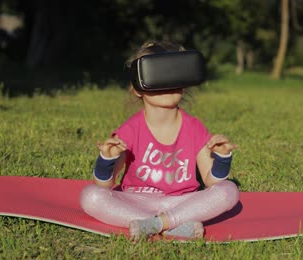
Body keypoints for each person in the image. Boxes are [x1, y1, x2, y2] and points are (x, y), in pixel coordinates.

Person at [80, 40, 239, 240]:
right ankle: (171, 225)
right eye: (158, 76)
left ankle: (156, 225)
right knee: (90, 196)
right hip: (136, 202)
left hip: (182, 202)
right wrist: (106, 160)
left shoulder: (194, 128)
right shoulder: (129, 130)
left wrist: (223, 158)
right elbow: (103, 185)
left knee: (229, 190)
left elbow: (212, 181)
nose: (166, 84)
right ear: (138, 88)